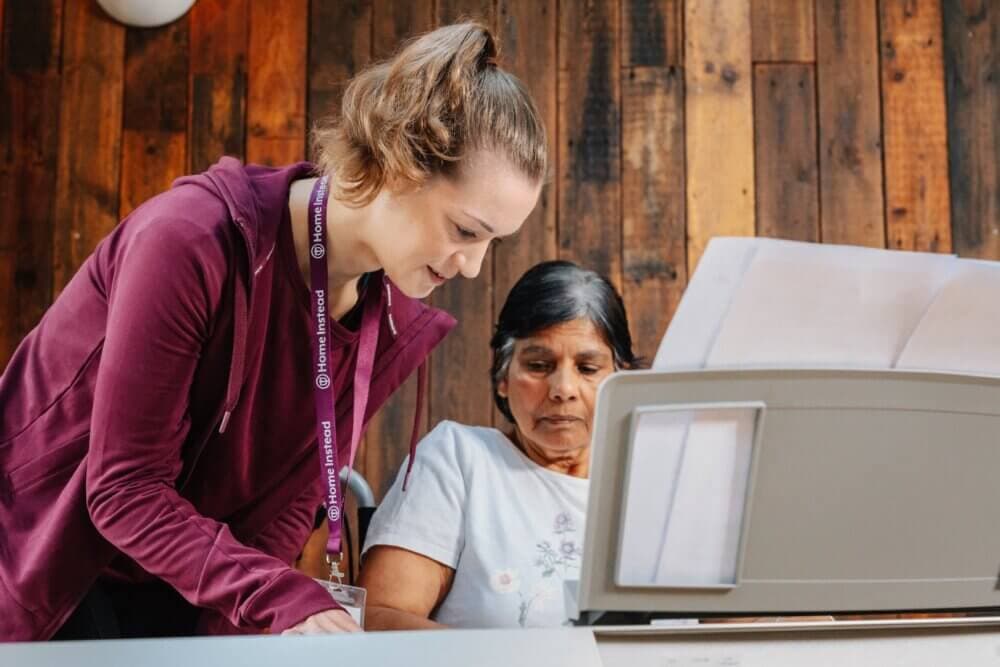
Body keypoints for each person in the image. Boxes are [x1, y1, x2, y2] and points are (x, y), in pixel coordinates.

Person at [0, 22, 546, 640]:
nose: (473, 267)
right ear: (399, 164)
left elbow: (287, 506)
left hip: (178, 590)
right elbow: (124, 490)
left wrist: (260, 624)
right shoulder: (188, 241)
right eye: (467, 231)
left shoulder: (383, 312)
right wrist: (274, 596)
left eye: (492, 243)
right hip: (50, 575)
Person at [358, 261, 640, 629]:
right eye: (539, 365)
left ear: (621, 380)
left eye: (588, 369)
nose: (563, 390)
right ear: (503, 375)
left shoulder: (649, 482)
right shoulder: (460, 458)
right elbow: (379, 617)